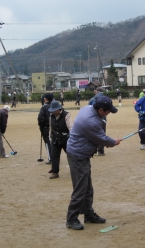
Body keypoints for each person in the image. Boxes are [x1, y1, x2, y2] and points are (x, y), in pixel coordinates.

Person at [66, 96, 122, 230]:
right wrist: (114, 142)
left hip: (82, 154)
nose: (109, 113)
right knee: (80, 189)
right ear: (101, 110)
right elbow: (102, 139)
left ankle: (88, 214)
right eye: (108, 111)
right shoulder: (90, 121)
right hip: (77, 155)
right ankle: (71, 219)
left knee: (87, 188)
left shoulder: (88, 108)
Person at [47, 101, 72, 179]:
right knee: (54, 155)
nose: (54, 112)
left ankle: (75, 170)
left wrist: (72, 138)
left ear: (59, 109)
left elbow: (71, 127)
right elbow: (50, 127)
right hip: (55, 138)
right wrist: (50, 136)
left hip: (66, 138)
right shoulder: (51, 116)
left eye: (55, 110)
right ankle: (55, 172)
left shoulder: (66, 115)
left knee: (71, 155)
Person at [89, 87, 106, 156]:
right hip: (102, 119)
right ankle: (100, 150)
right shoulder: (105, 99)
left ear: (97, 92)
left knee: (93, 134)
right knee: (102, 134)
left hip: (93, 119)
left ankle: (93, 149)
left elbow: (89, 108)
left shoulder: (92, 99)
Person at [38, 93, 54, 165]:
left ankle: (51, 158)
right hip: (55, 127)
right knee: (54, 142)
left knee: (48, 142)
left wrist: (41, 126)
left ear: (46, 99)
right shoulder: (55, 106)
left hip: (46, 127)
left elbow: (40, 118)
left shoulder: (44, 107)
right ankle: (55, 157)